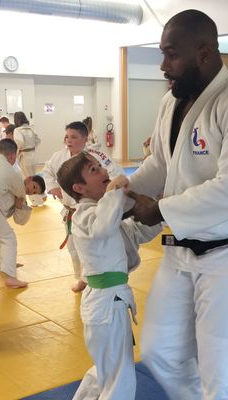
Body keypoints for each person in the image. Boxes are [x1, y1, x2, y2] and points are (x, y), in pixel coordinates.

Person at [126, 10, 228, 399]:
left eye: (171, 55)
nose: (164, 66)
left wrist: (160, 211)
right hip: (183, 252)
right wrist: (119, 194)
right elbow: (161, 164)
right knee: (159, 351)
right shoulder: (172, 101)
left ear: (204, 52)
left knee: (225, 378)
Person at [57, 152, 161, 400]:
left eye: (101, 167)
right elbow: (103, 225)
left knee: (107, 369)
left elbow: (134, 233)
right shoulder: (85, 216)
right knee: (119, 376)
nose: (104, 172)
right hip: (106, 305)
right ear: (78, 188)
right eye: (94, 170)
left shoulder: (103, 215)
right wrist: (115, 191)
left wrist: (159, 212)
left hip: (107, 303)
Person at [42, 121, 124, 292]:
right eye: (67, 137)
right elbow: (47, 171)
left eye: (74, 137)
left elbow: (115, 174)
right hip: (70, 210)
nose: (69, 141)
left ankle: (94, 277)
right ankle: (80, 277)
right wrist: (53, 187)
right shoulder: (58, 156)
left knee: (94, 246)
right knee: (74, 247)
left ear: (85, 139)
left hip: (94, 209)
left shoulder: (96, 157)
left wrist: (109, 194)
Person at [0, 138, 43, 288]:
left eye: (35, 191)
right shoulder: (12, 173)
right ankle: (10, 276)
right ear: (12, 156)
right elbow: (20, 210)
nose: (32, 191)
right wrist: (20, 204)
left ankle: (3, 262)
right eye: (34, 187)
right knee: (8, 238)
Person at [13, 111, 41, 178]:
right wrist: (32, 146)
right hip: (33, 155)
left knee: (26, 177)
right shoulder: (31, 129)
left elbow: (19, 142)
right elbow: (38, 140)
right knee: (33, 176)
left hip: (24, 157)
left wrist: (17, 152)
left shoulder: (17, 130)